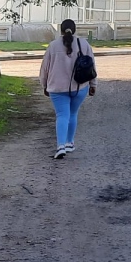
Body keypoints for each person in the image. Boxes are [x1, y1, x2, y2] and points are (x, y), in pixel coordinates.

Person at [38, 19, 96, 160]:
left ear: (61, 30)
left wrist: (44, 85)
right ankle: (70, 142)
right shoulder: (84, 44)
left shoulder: (53, 46)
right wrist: (93, 84)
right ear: (74, 30)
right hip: (80, 86)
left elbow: (44, 68)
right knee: (73, 114)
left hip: (57, 88)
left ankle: (61, 146)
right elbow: (92, 65)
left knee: (62, 115)